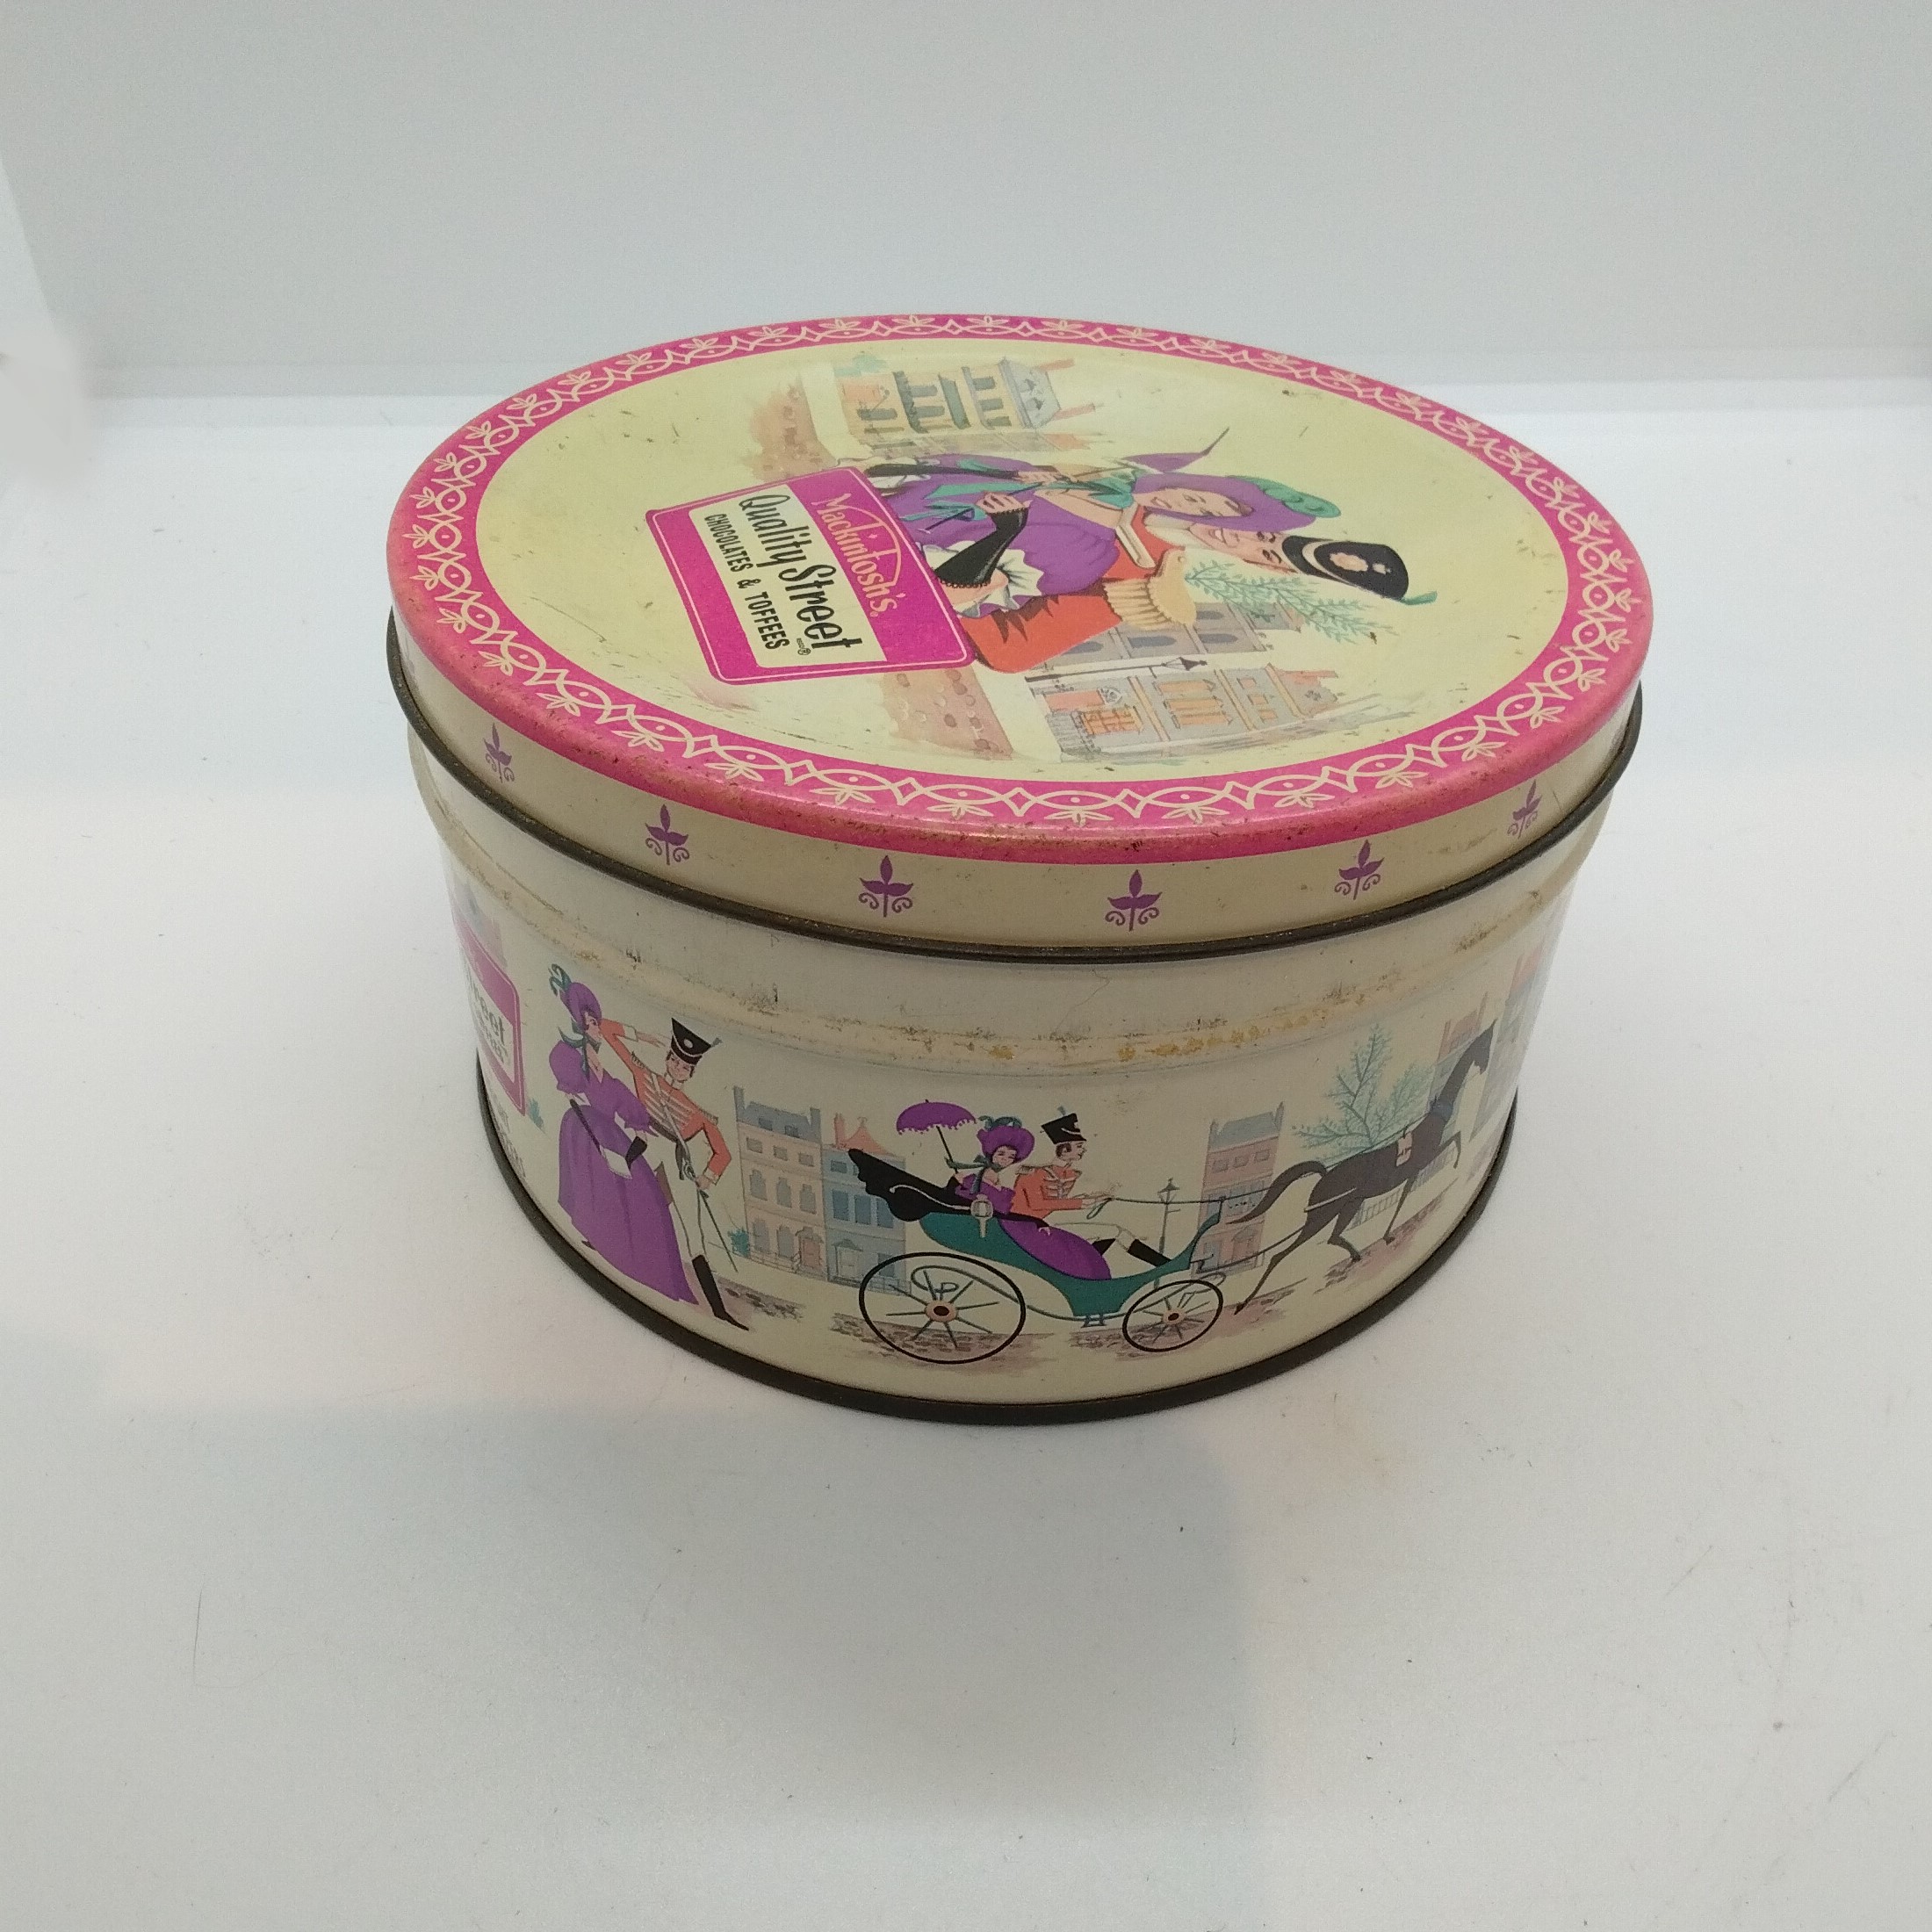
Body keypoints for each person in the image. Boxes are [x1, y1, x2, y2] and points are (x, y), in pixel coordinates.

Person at [869, 447, 1424, 673]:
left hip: (874, 583)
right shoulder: (1100, 482)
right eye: (1247, 520)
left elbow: (1015, 647)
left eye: (1263, 547)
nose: (1234, 533)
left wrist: (960, 588)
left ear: (1267, 567)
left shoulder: (1136, 575)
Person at [548, 977, 746, 1329]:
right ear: (668, 1058)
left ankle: (717, 1309)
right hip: (644, 1145)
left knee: (693, 1233)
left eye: (685, 1066)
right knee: (626, 1189)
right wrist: (642, 1036)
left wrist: (707, 1178)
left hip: (676, 1162)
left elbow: (722, 1153)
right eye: (674, 1060)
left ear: (692, 1072)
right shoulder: (645, 1077)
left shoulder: (698, 1112)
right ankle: (604, 1239)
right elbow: (607, 1031)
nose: (677, 1068)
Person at [950, 1120, 1114, 1281]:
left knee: (1074, 1244)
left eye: (1011, 1156)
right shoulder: (974, 1180)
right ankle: (1082, 1277)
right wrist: (956, 1183)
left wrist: (1090, 1199)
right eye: (1001, 1154)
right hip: (1010, 1227)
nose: (1006, 1160)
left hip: (1019, 1223)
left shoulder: (995, 1179)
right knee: (1062, 1246)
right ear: (990, 1152)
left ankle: (1090, 1274)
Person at [1009, 1112, 1169, 1272]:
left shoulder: (1069, 1174)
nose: (1083, 1150)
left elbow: (1058, 1202)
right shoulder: (1032, 1173)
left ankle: (1164, 1265)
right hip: (1026, 1231)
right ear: (1064, 1150)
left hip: (1045, 1226)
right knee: (1112, 1231)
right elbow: (1037, 1204)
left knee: (1114, 1232)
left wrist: (1097, 1198)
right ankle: (1083, 1269)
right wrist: (1082, 1202)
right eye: (1079, 1146)